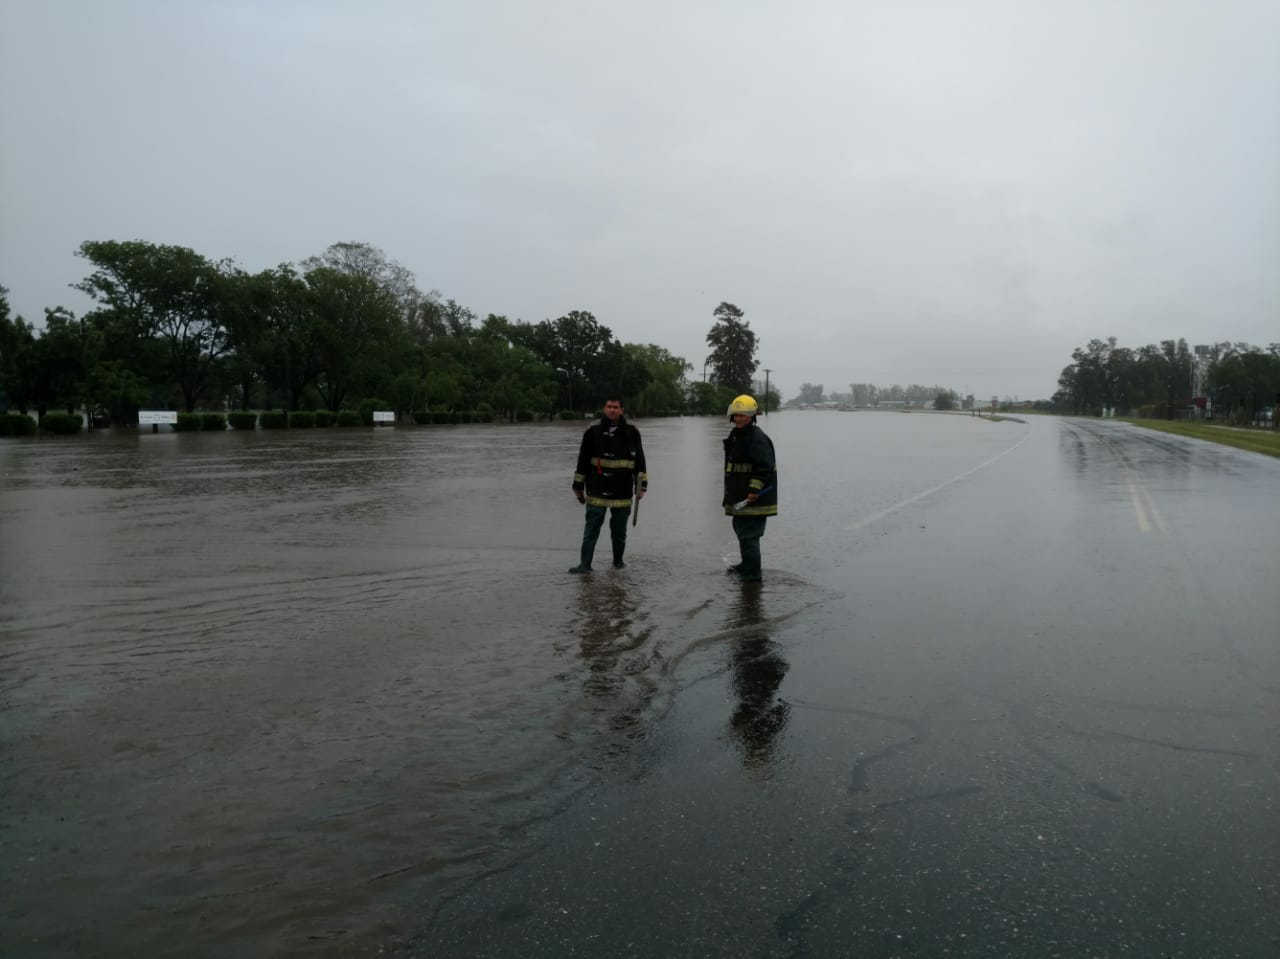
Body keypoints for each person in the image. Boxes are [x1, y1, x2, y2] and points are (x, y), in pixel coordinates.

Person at [569, 396, 647, 573]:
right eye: (609, 406)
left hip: (622, 491)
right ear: (604, 408)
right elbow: (582, 461)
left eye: (616, 407)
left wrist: (642, 486)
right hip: (596, 489)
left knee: (619, 533)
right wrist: (577, 487)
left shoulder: (632, 432)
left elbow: (640, 461)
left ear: (621, 410)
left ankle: (618, 564)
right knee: (591, 531)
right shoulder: (592, 431)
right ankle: (585, 565)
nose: (612, 410)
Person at [723, 394, 777, 582]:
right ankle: (746, 565)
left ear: (751, 416)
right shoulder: (737, 435)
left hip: (754, 498)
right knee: (741, 531)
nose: (738, 418)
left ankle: (752, 575)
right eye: (736, 415)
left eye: (743, 415)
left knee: (750, 536)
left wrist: (754, 491)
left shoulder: (758, 438)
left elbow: (764, 468)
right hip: (739, 495)